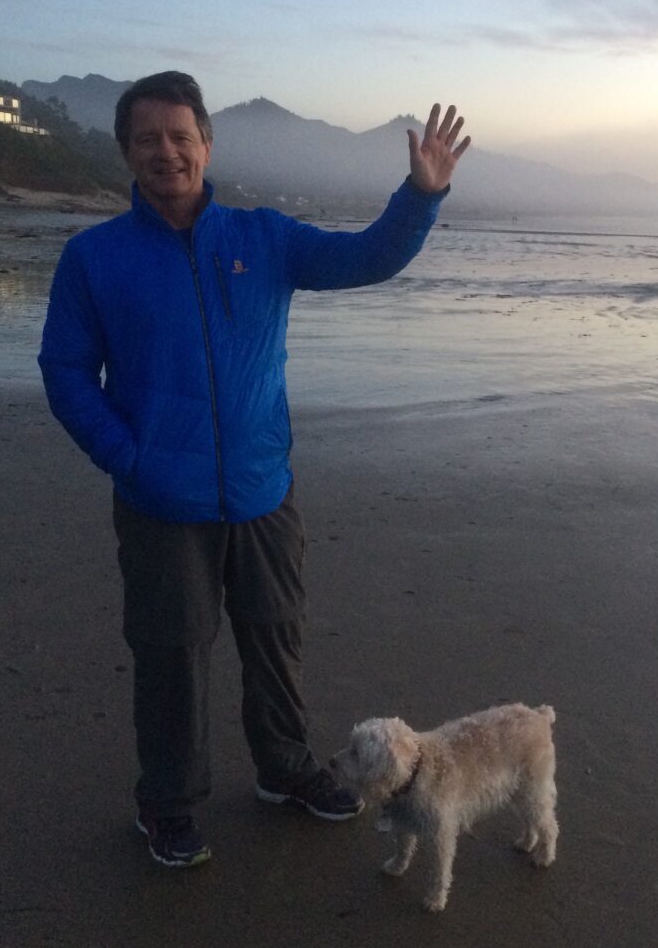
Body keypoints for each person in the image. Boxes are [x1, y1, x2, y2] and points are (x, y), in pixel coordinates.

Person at [38, 71, 469, 869]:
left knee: (275, 638)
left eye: (180, 136)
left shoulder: (263, 238)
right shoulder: (94, 258)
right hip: (161, 504)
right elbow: (65, 372)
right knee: (172, 653)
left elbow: (366, 257)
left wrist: (419, 196)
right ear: (126, 152)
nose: (165, 152)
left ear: (206, 143)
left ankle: (284, 769)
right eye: (147, 139)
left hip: (263, 493)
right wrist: (130, 459)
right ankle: (167, 804)